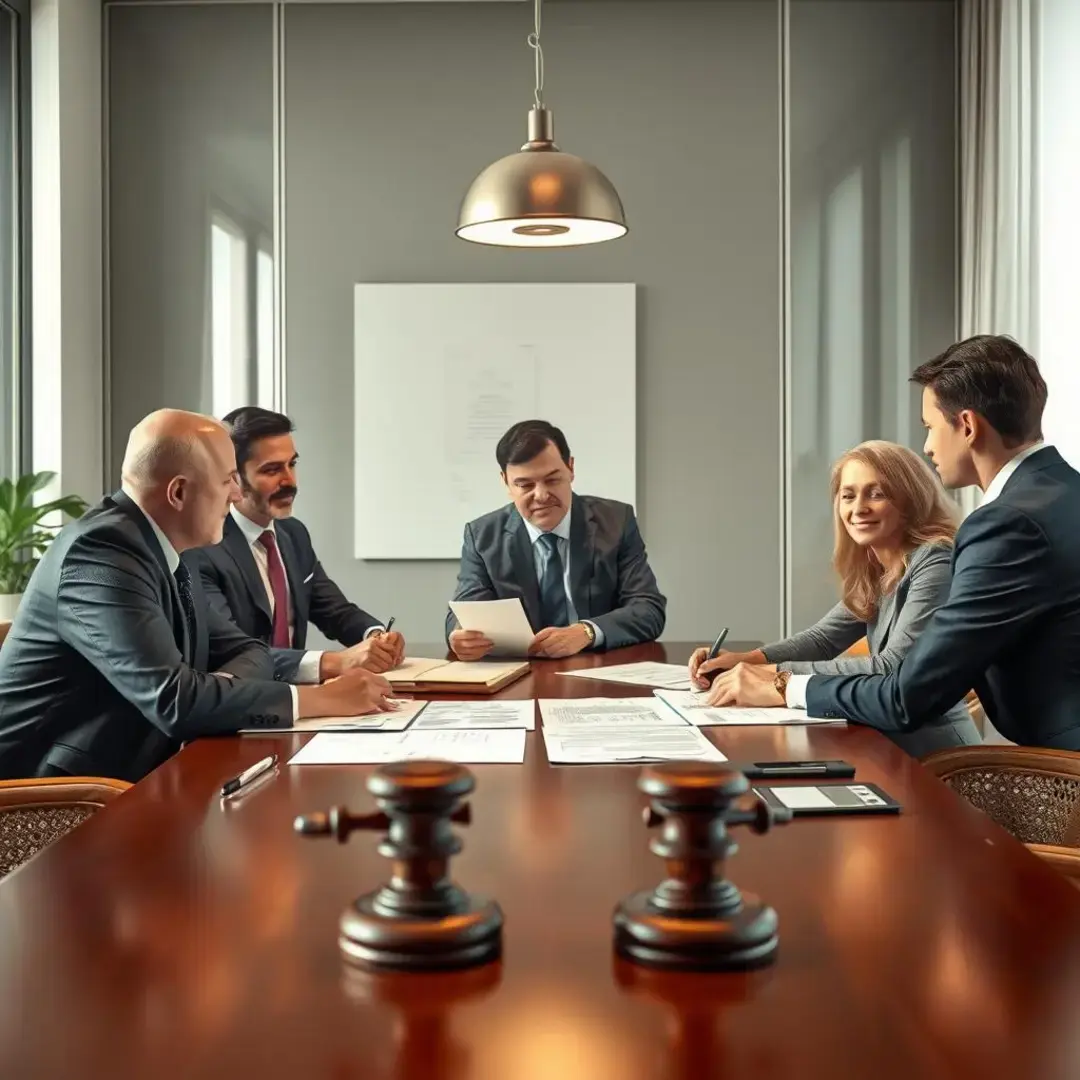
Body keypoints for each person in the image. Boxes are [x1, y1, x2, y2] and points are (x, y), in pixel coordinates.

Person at [708, 335, 1080, 751]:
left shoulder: (1006, 525)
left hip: (1058, 775)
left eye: (930, 428)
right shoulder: (1066, 492)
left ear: (968, 426)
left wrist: (783, 686)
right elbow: (834, 638)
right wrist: (755, 663)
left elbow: (906, 695)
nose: (927, 446)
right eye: (847, 495)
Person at [0, 409, 395, 782]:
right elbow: (175, 701)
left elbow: (247, 650)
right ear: (178, 493)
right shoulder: (103, 553)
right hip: (53, 797)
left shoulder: (171, 544)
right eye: (228, 480)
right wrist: (322, 700)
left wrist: (212, 691)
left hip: (139, 765)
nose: (237, 495)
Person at [689, 440, 980, 755]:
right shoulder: (876, 568)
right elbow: (822, 640)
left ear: (910, 501)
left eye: (877, 493)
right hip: (888, 746)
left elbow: (891, 668)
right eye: (848, 496)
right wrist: (743, 661)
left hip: (941, 762)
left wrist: (772, 678)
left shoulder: (935, 561)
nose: (858, 509)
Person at [186, 407, 405, 683]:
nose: (289, 481)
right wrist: (334, 662)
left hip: (298, 702)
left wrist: (375, 637)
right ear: (234, 477)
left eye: (292, 464)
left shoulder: (293, 534)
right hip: (241, 704)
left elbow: (335, 611)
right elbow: (231, 650)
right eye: (272, 470)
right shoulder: (204, 547)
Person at [446, 419, 666, 660]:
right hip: (519, 675)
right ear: (505, 482)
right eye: (525, 485)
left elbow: (648, 609)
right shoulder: (482, 536)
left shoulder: (615, 522)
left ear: (570, 469)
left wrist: (586, 632)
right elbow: (464, 612)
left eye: (552, 480)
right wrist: (460, 636)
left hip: (598, 668)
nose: (541, 495)